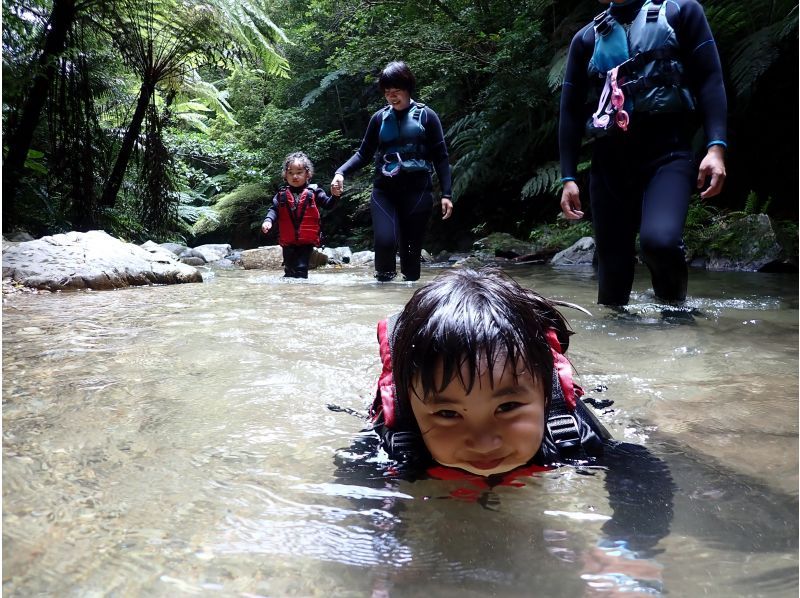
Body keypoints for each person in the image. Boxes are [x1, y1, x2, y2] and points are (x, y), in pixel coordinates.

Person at [558, 0, 728, 306]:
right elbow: (569, 112)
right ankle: (618, 349)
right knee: (612, 275)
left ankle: (676, 315)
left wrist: (716, 147)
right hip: (609, 163)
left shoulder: (681, 12)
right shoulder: (585, 39)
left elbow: (710, 79)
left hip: (668, 153)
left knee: (659, 243)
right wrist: (568, 177)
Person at [331, 61, 454, 282]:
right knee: (385, 242)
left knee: (411, 251)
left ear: (408, 89)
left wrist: (447, 194)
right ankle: (383, 292)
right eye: (387, 93)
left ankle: (408, 301)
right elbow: (363, 154)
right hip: (384, 192)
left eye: (396, 92)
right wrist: (340, 172)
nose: (391, 97)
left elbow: (441, 157)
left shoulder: (427, 116)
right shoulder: (379, 119)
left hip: (417, 192)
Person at [262, 152, 340, 278]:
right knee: (289, 269)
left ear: (307, 174)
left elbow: (328, 204)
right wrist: (268, 221)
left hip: (306, 242)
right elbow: (274, 210)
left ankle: (302, 294)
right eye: (291, 173)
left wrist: (335, 195)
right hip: (288, 242)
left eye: (299, 172)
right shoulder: (282, 194)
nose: (295, 176)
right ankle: (290, 294)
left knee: (301, 268)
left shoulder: (314, 191)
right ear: (285, 175)